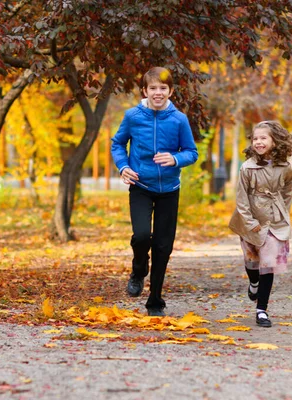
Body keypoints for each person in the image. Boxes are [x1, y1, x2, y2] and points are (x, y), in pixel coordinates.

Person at [111, 67, 198, 317]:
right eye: (152, 88)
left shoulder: (179, 119)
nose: (157, 93)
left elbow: (191, 152)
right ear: (144, 91)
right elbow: (118, 143)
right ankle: (139, 270)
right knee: (141, 236)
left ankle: (155, 301)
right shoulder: (133, 116)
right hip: (141, 185)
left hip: (169, 189)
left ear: (170, 91)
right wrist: (123, 166)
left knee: (163, 246)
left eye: (162, 88)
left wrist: (175, 158)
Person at [228, 121, 292, 327]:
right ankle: (253, 282)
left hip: (274, 221)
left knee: (268, 264)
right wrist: (249, 222)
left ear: (275, 141)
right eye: (255, 138)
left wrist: (282, 211)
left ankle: (261, 310)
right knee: (252, 260)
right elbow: (241, 197)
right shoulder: (247, 168)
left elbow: (288, 190)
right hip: (251, 217)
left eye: (263, 138)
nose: (258, 142)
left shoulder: (285, 168)